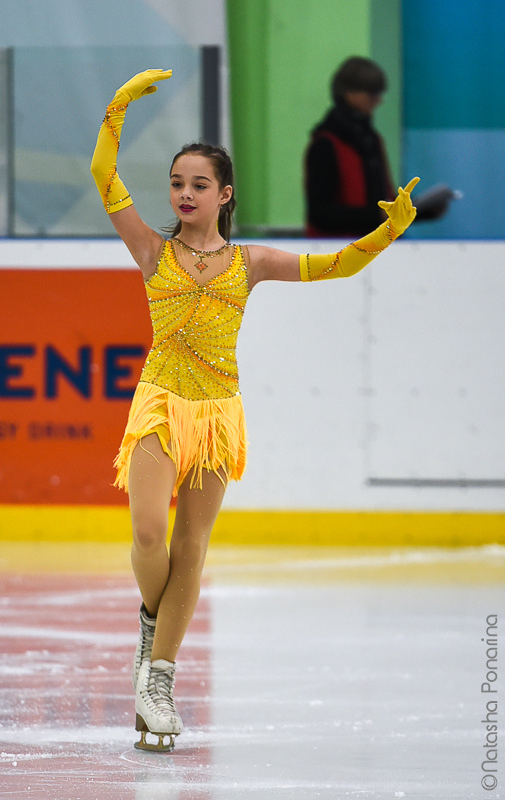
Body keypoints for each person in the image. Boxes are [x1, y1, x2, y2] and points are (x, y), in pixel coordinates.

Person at [91, 68, 418, 752]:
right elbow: (103, 176)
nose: (184, 193)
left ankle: (159, 680)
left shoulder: (250, 262)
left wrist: (387, 234)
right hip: (158, 401)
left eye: (198, 184)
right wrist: (117, 111)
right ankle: (152, 626)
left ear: (225, 193)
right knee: (151, 534)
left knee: (192, 547)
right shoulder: (151, 251)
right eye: (178, 182)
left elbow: (336, 268)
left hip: (217, 413)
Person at [304, 56, 447, 238]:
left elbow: (380, 202)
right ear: (349, 93)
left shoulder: (371, 140)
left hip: (375, 247)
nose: (378, 101)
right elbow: (321, 214)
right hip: (338, 253)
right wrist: (377, 215)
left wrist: (423, 212)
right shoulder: (325, 145)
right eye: (372, 95)